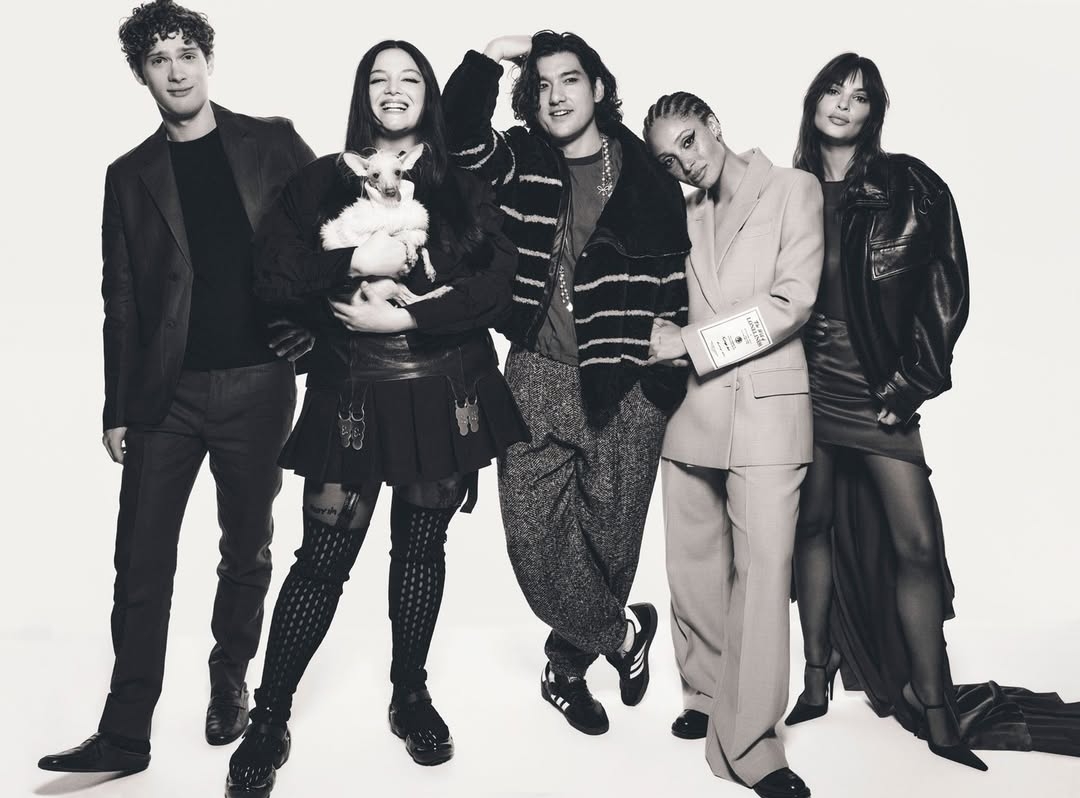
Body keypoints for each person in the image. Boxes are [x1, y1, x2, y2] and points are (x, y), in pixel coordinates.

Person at [222, 39, 527, 797]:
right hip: (352, 392)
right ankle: (269, 716)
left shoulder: (459, 179)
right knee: (323, 559)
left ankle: (410, 695)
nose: (395, 89)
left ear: (428, 92)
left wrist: (409, 320)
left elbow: (498, 282)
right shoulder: (322, 179)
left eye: (409, 77)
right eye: (379, 78)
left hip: (441, 387)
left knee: (421, 549)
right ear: (363, 93)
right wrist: (355, 265)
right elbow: (270, 274)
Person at [37, 0, 315, 776]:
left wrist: (316, 330)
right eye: (159, 59)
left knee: (246, 547)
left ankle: (231, 681)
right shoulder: (128, 176)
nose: (176, 70)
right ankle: (126, 731)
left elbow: (335, 231)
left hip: (258, 383)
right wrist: (117, 407)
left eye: (187, 53)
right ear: (143, 75)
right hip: (167, 396)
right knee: (141, 560)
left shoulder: (272, 142)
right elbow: (120, 298)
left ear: (208, 60)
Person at [787, 51, 1080, 768]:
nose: (843, 104)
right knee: (812, 527)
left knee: (917, 545)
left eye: (860, 96)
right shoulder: (786, 191)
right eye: (833, 90)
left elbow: (947, 292)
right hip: (802, 390)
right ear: (814, 100)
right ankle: (817, 677)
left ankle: (938, 706)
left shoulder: (908, 185)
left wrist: (908, 385)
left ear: (874, 113)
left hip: (875, 395)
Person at [442, 31, 691, 735]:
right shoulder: (523, 158)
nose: (555, 96)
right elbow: (457, 134)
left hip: (625, 383)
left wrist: (666, 370)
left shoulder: (645, 174)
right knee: (534, 542)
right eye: (544, 84)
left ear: (599, 88)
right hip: (536, 373)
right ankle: (623, 636)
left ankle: (566, 669)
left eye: (570, 80)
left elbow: (674, 272)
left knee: (609, 546)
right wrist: (493, 54)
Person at [644, 93, 822, 798]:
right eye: (667, 159)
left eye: (688, 141)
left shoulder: (793, 189)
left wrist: (687, 344)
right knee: (692, 567)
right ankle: (706, 692)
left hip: (767, 411)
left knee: (763, 575)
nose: (684, 163)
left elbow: (791, 303)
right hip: (690, 414)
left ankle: (752, 744)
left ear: (713, 125)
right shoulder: (680, 213)